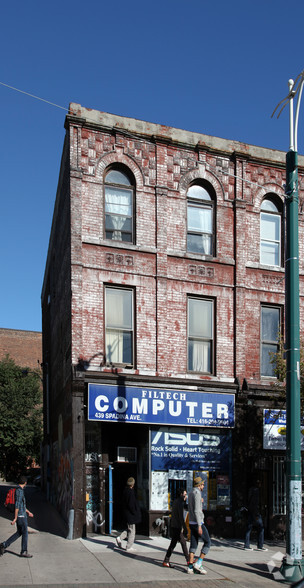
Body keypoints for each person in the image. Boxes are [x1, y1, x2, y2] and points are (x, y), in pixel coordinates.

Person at [0, 475, 34, 558]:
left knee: (19, 533)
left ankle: (4, 545)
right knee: (25, 533)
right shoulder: (20, 491)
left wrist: (28, 512)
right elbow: (17, 506)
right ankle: (24, 551)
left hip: (22, 514)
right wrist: (15, 518)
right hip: (21, 516)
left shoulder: (18, 490)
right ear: (25, 482)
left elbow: (22, 505)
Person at [187, 476, 211, 575]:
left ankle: (190, 567)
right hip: (197, 522)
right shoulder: (197, 493)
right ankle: (199, 563)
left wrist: (200, 502)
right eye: (203, 484)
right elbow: (197, 510)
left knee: (194, 544)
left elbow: (193, 506)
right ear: (199, 485)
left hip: (191, 522)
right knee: (208, 542)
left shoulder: (191, 492)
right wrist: (200, 525)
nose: (204, 486)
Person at [162, 487, 189, 568]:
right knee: (183, 543)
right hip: (177, 526)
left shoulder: (176, 502)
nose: (186, 496)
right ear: (181, 495)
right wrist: (185, 528)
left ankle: (166, 560)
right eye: (185, 494)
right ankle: (188, 560)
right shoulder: (179, 503)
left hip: (174, 526)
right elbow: (181, 517)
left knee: (174, 544)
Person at [116, 477, 141, 552]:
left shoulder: (125, 491)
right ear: (132, 484)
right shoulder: (131, 492)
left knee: (129, 529)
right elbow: (131, 504)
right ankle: (129, 546)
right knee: (132, 531)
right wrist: (135, 512)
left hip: (127, 514)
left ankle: (120, 538)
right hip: (131, 515)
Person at [244, 479, 268, 551]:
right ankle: (260, 545)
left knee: (249, 528)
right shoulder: (256, 491)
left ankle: (247, 545)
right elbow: (255, 503)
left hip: (251, 511)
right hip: (255, 512)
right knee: (261, 528)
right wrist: (257, 513)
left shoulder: (250, 490)